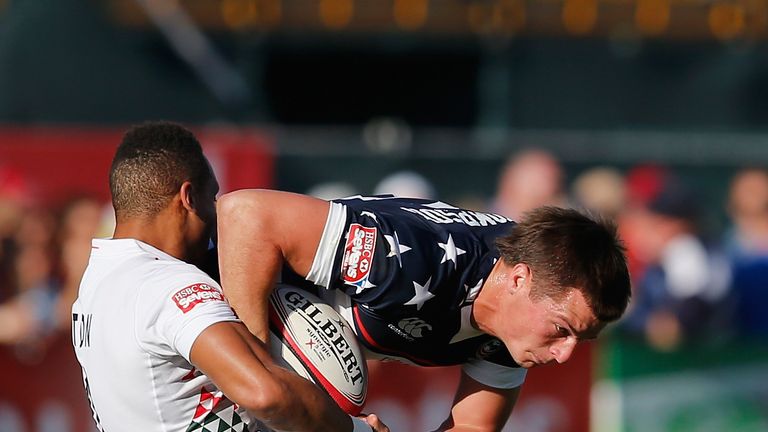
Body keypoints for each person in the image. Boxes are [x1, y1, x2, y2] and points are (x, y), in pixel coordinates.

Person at [216, 190, 632, 431]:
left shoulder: (514, 323)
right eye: (562, 329)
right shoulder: (410, 262)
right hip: (197, 313)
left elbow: (472, 426)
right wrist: (253, 367)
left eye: (583, 337)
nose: (566, 354)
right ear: (519, 280)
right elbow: (245, 215)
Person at [71, 122, 387, 432]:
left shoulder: (94, 285)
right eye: (213, 198)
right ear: (188, 197)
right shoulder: (170, 285)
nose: (217, 214)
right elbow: (266, 395)